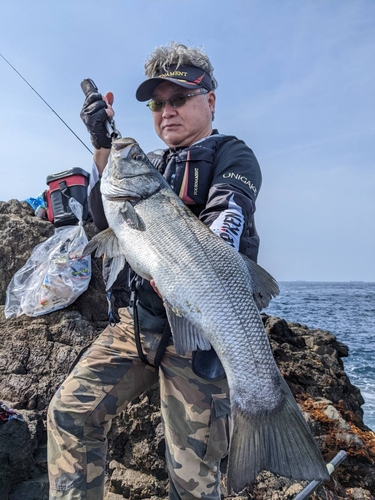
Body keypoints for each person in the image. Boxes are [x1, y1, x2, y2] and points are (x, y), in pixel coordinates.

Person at [47, 41, 262, 500]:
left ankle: (264, 416)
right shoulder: (149, 166)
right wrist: (103, 147)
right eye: (157, 103)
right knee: (69, 413)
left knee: (192, 480)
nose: (166, 111)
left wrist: (189, 273)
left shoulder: (232, 156)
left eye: (179, 98)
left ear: (210, 100)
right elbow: (107, 223)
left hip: (198, 338)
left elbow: (228, 217)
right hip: (134, 325)